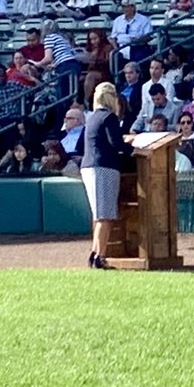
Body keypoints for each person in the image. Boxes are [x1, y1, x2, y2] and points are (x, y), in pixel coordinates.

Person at [81, 82, 129, 269]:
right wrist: (133, 147)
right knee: (105, 216)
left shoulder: (92, 117)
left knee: (99, 215)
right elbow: (116, 144)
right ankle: (99, 257)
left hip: (89, 167)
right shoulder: (108, 117)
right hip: (103, 168)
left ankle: (95, 254)